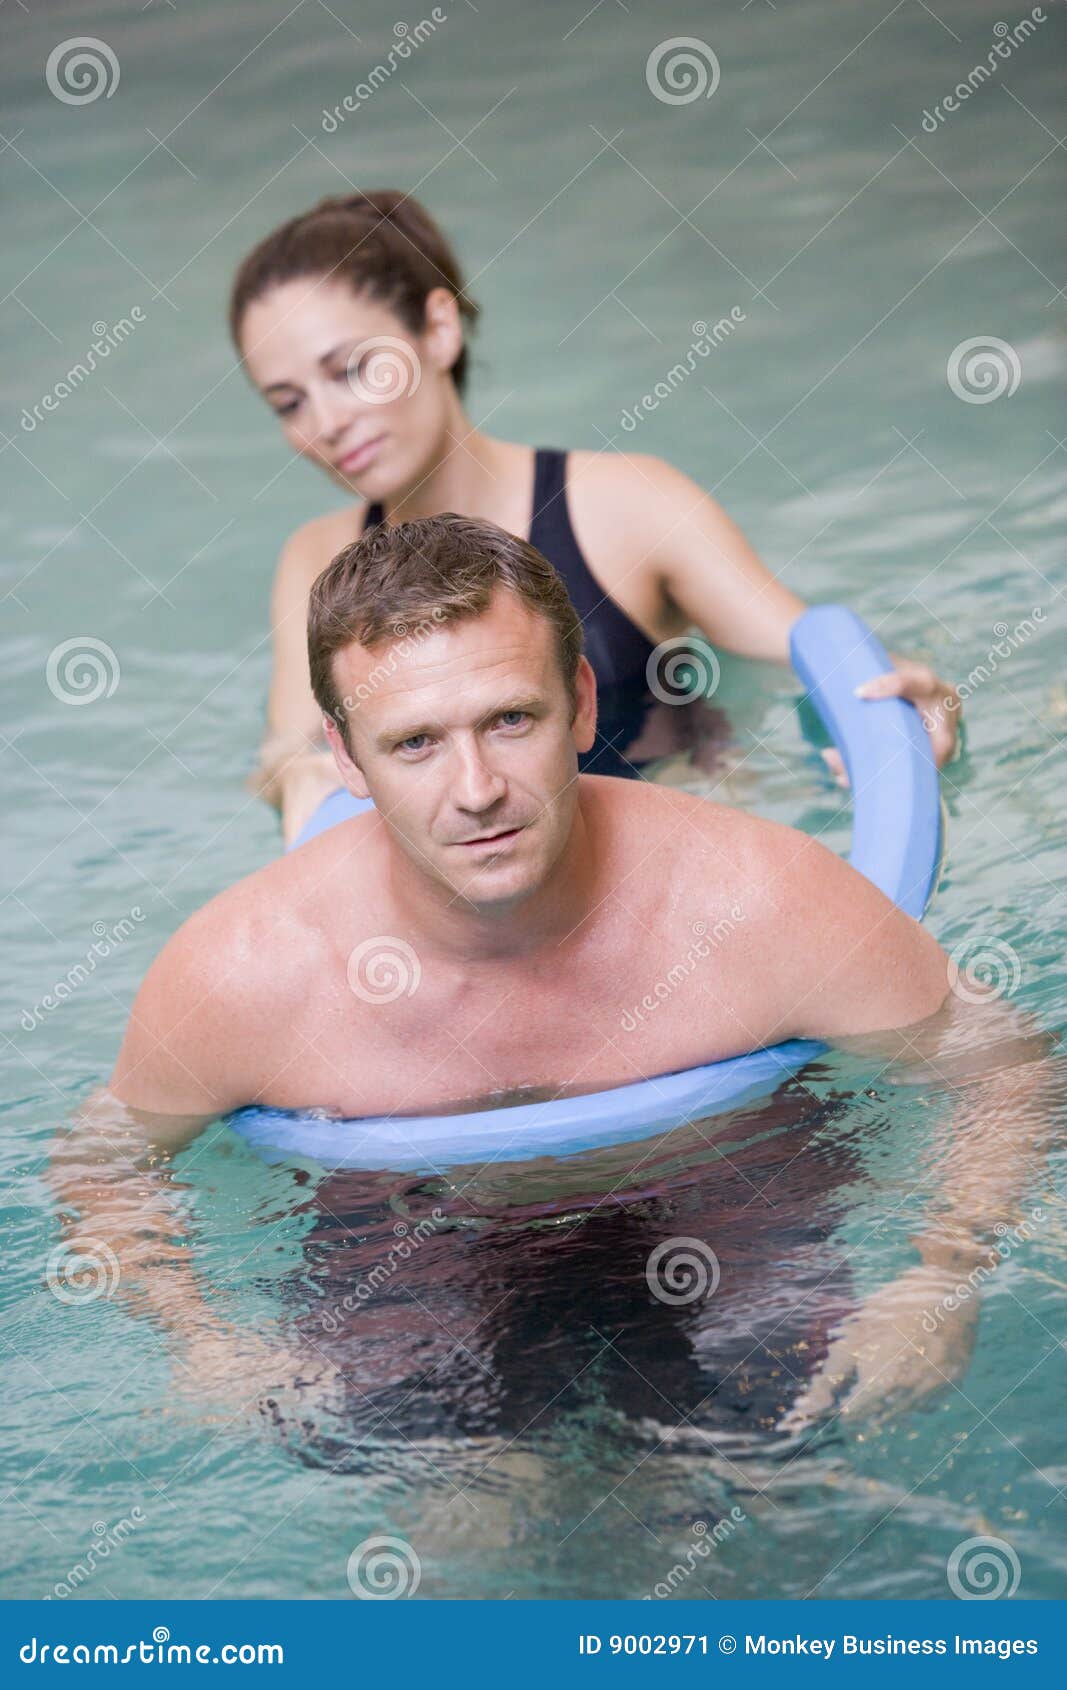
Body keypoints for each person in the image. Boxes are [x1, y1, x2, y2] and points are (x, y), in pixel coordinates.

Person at [61, 516, 1049, 1435]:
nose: (476, 788)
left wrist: (941, 1275)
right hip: (414, 1222)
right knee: (475, 1522)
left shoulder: (751, 901)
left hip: (716, 1181)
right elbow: (102, 1160)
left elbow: (997, 1062)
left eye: (509, 719)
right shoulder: (251, 972)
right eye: (413, 742)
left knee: (768, 1482)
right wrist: (200, 1339)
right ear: (346, 760)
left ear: (578, 705)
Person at [228, 190, 961, 846]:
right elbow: (290, 749)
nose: (324, 422)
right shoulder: (317, 559)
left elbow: (809, 654)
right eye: (288, 403)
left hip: (679, 853)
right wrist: (295, 777)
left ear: (439, 328)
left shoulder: (628, 505)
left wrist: (907, 698)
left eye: (353, 368)